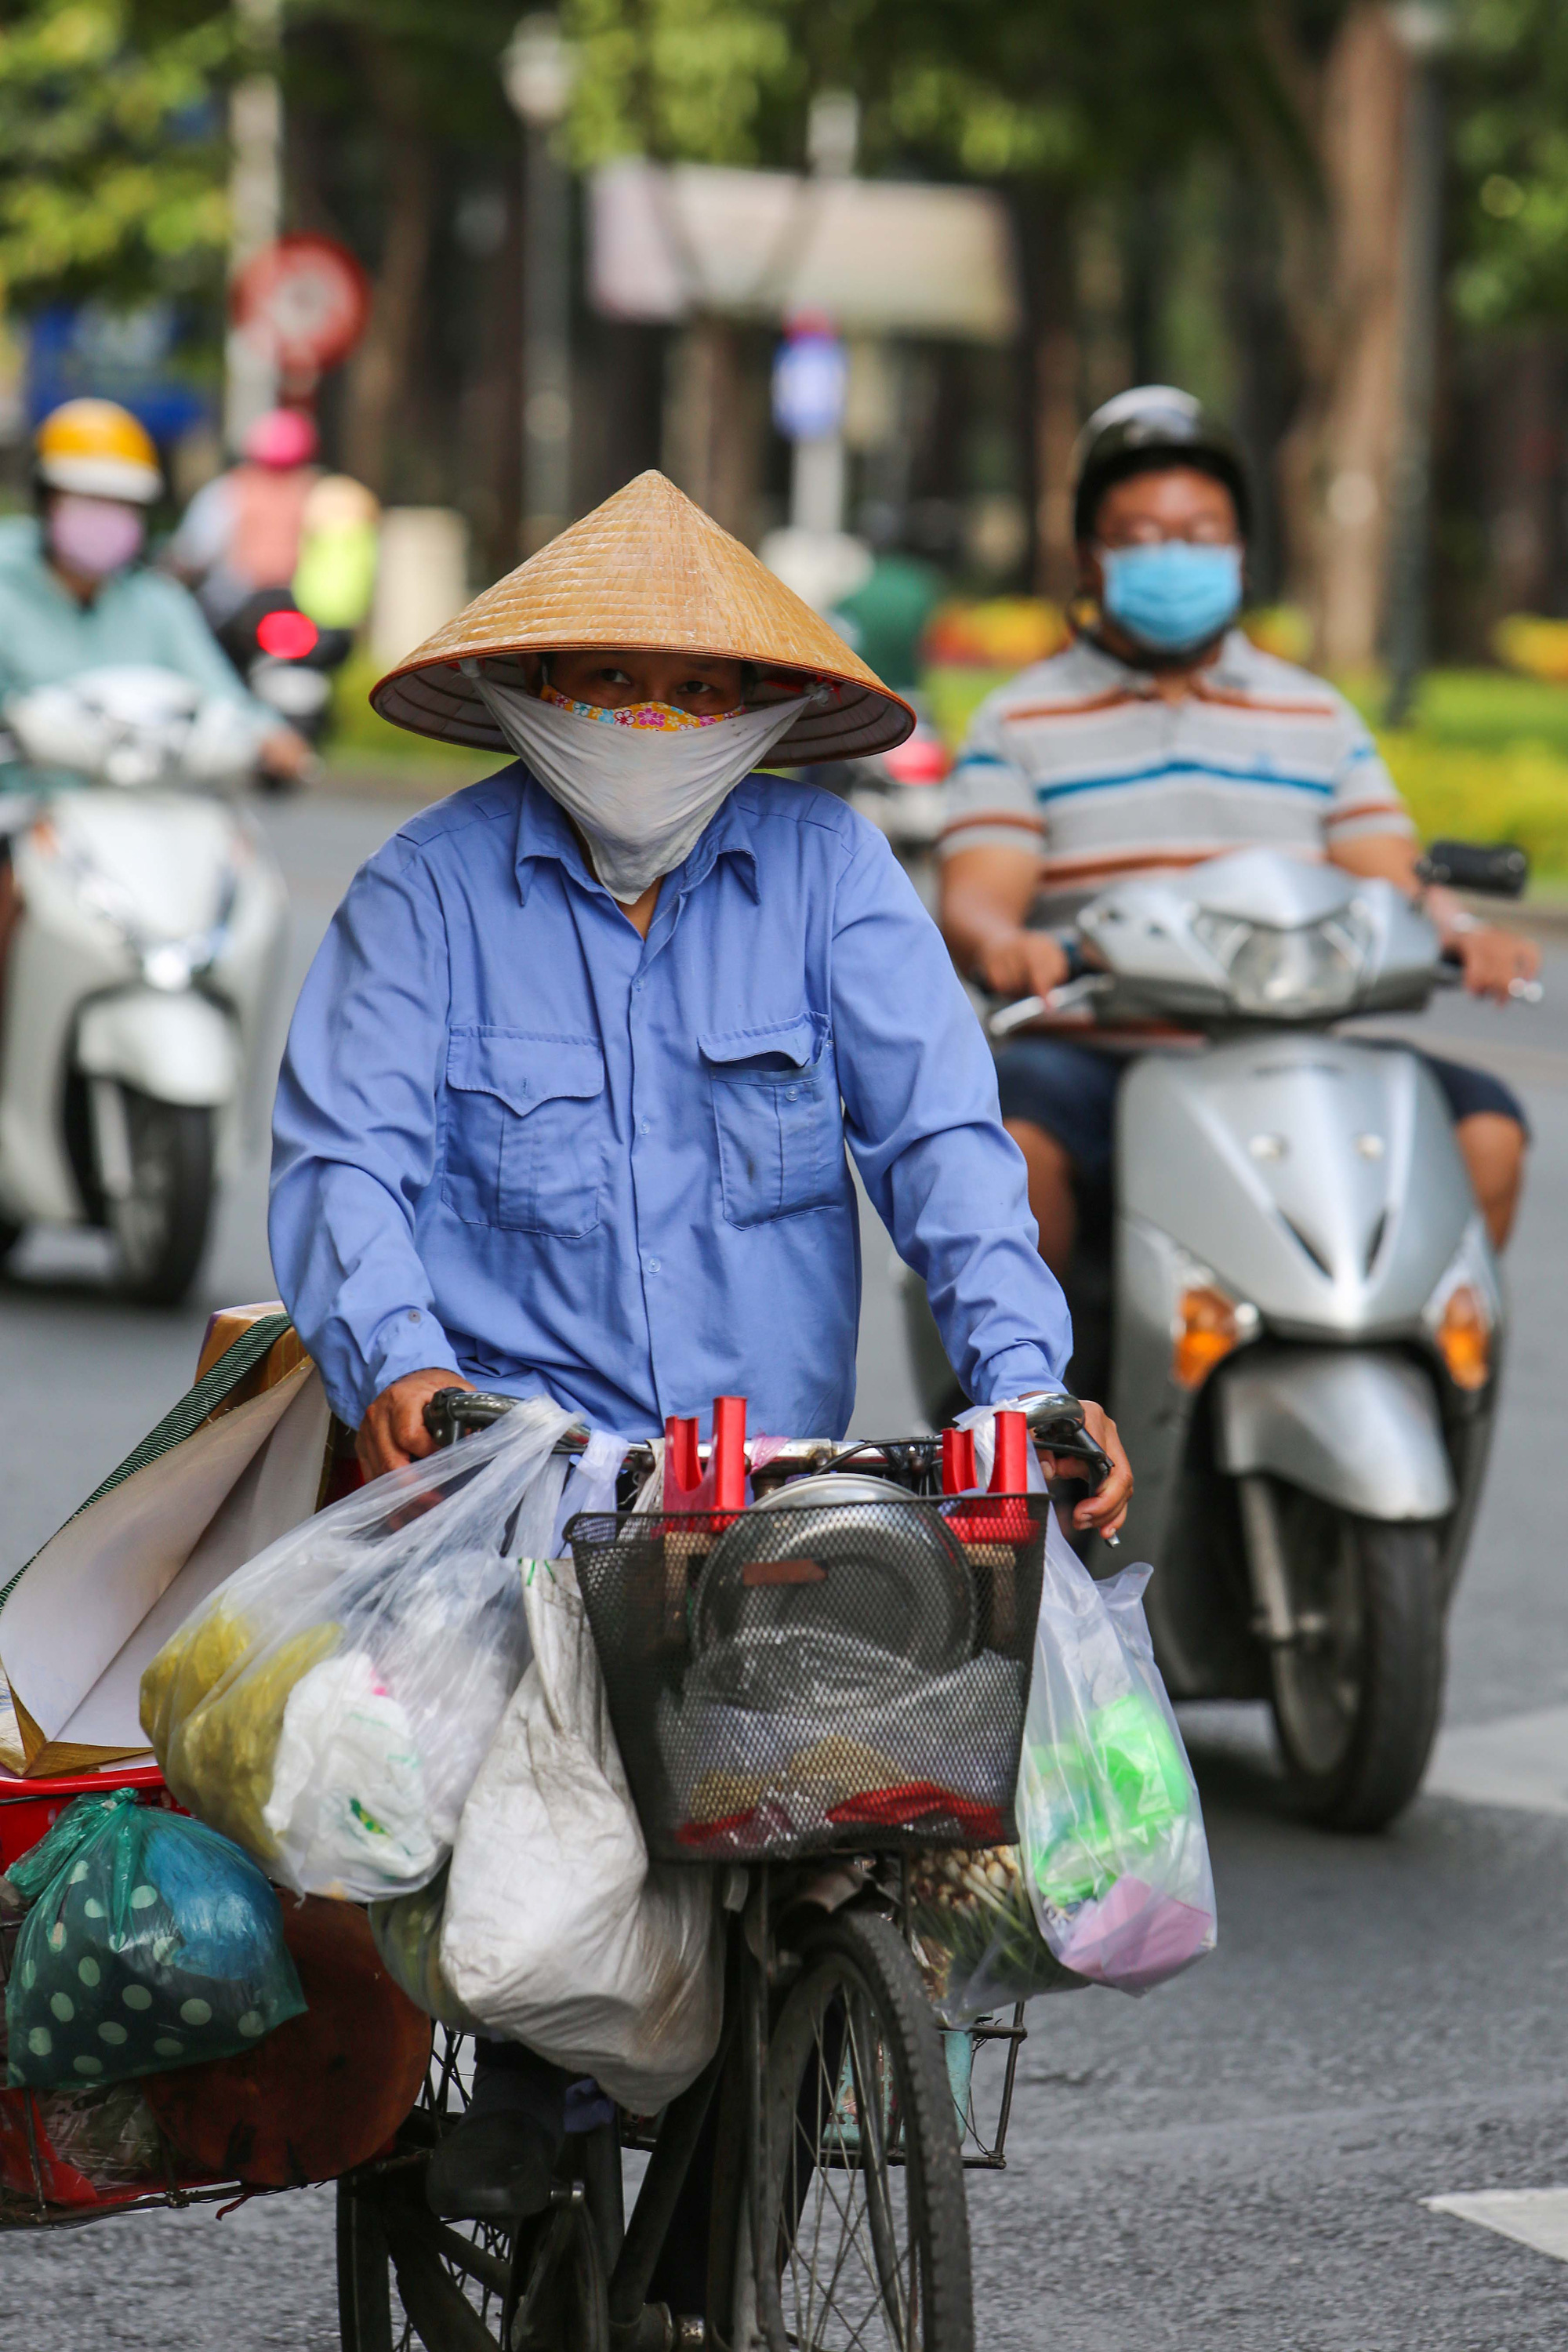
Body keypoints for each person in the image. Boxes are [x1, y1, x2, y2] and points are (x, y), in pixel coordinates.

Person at [267, 470, 1132, 2241]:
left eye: (691, 687)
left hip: (769, 1481)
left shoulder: (829, 873)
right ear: (524, 694)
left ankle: (796, 2049)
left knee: (869, 1783)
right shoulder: (425, 892)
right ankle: (528, 2069)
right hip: (527, 1474)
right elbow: (344, 1156)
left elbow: (942, 1146)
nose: (645, 723)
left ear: (762, 708)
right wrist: (405, 1367)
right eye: (602, 682)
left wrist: (1020, 1375)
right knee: (544, 1835)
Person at [936, 384, 1540, 1273]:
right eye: (1138, 536)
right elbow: (978, 897)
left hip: (1288, 1053)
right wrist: (1003, 945)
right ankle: (1036, 1389)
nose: (1170, 555)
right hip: (1101, 1058)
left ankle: (1441, 1370)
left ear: (1241, 552)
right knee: (1017, 1143)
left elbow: (1390, 870)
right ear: (1089, 558)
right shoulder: (1018, 722)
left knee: (1485, 1127)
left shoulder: (1315, 715)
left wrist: (1458, 929)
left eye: (1198, 532)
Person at [0, 398, 311, 795]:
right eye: (88, 498)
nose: (104, 515)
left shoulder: (156, 602)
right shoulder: (6, 588)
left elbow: (220, 696)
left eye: (121, 503)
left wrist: (271, 739)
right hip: (22, 816)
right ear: (46, 500)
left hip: (140, 812)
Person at [165, 405, 322, 629]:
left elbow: (196, 550)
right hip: (298, 605)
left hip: (235, 601)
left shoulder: (229, 490)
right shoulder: (317, 492)